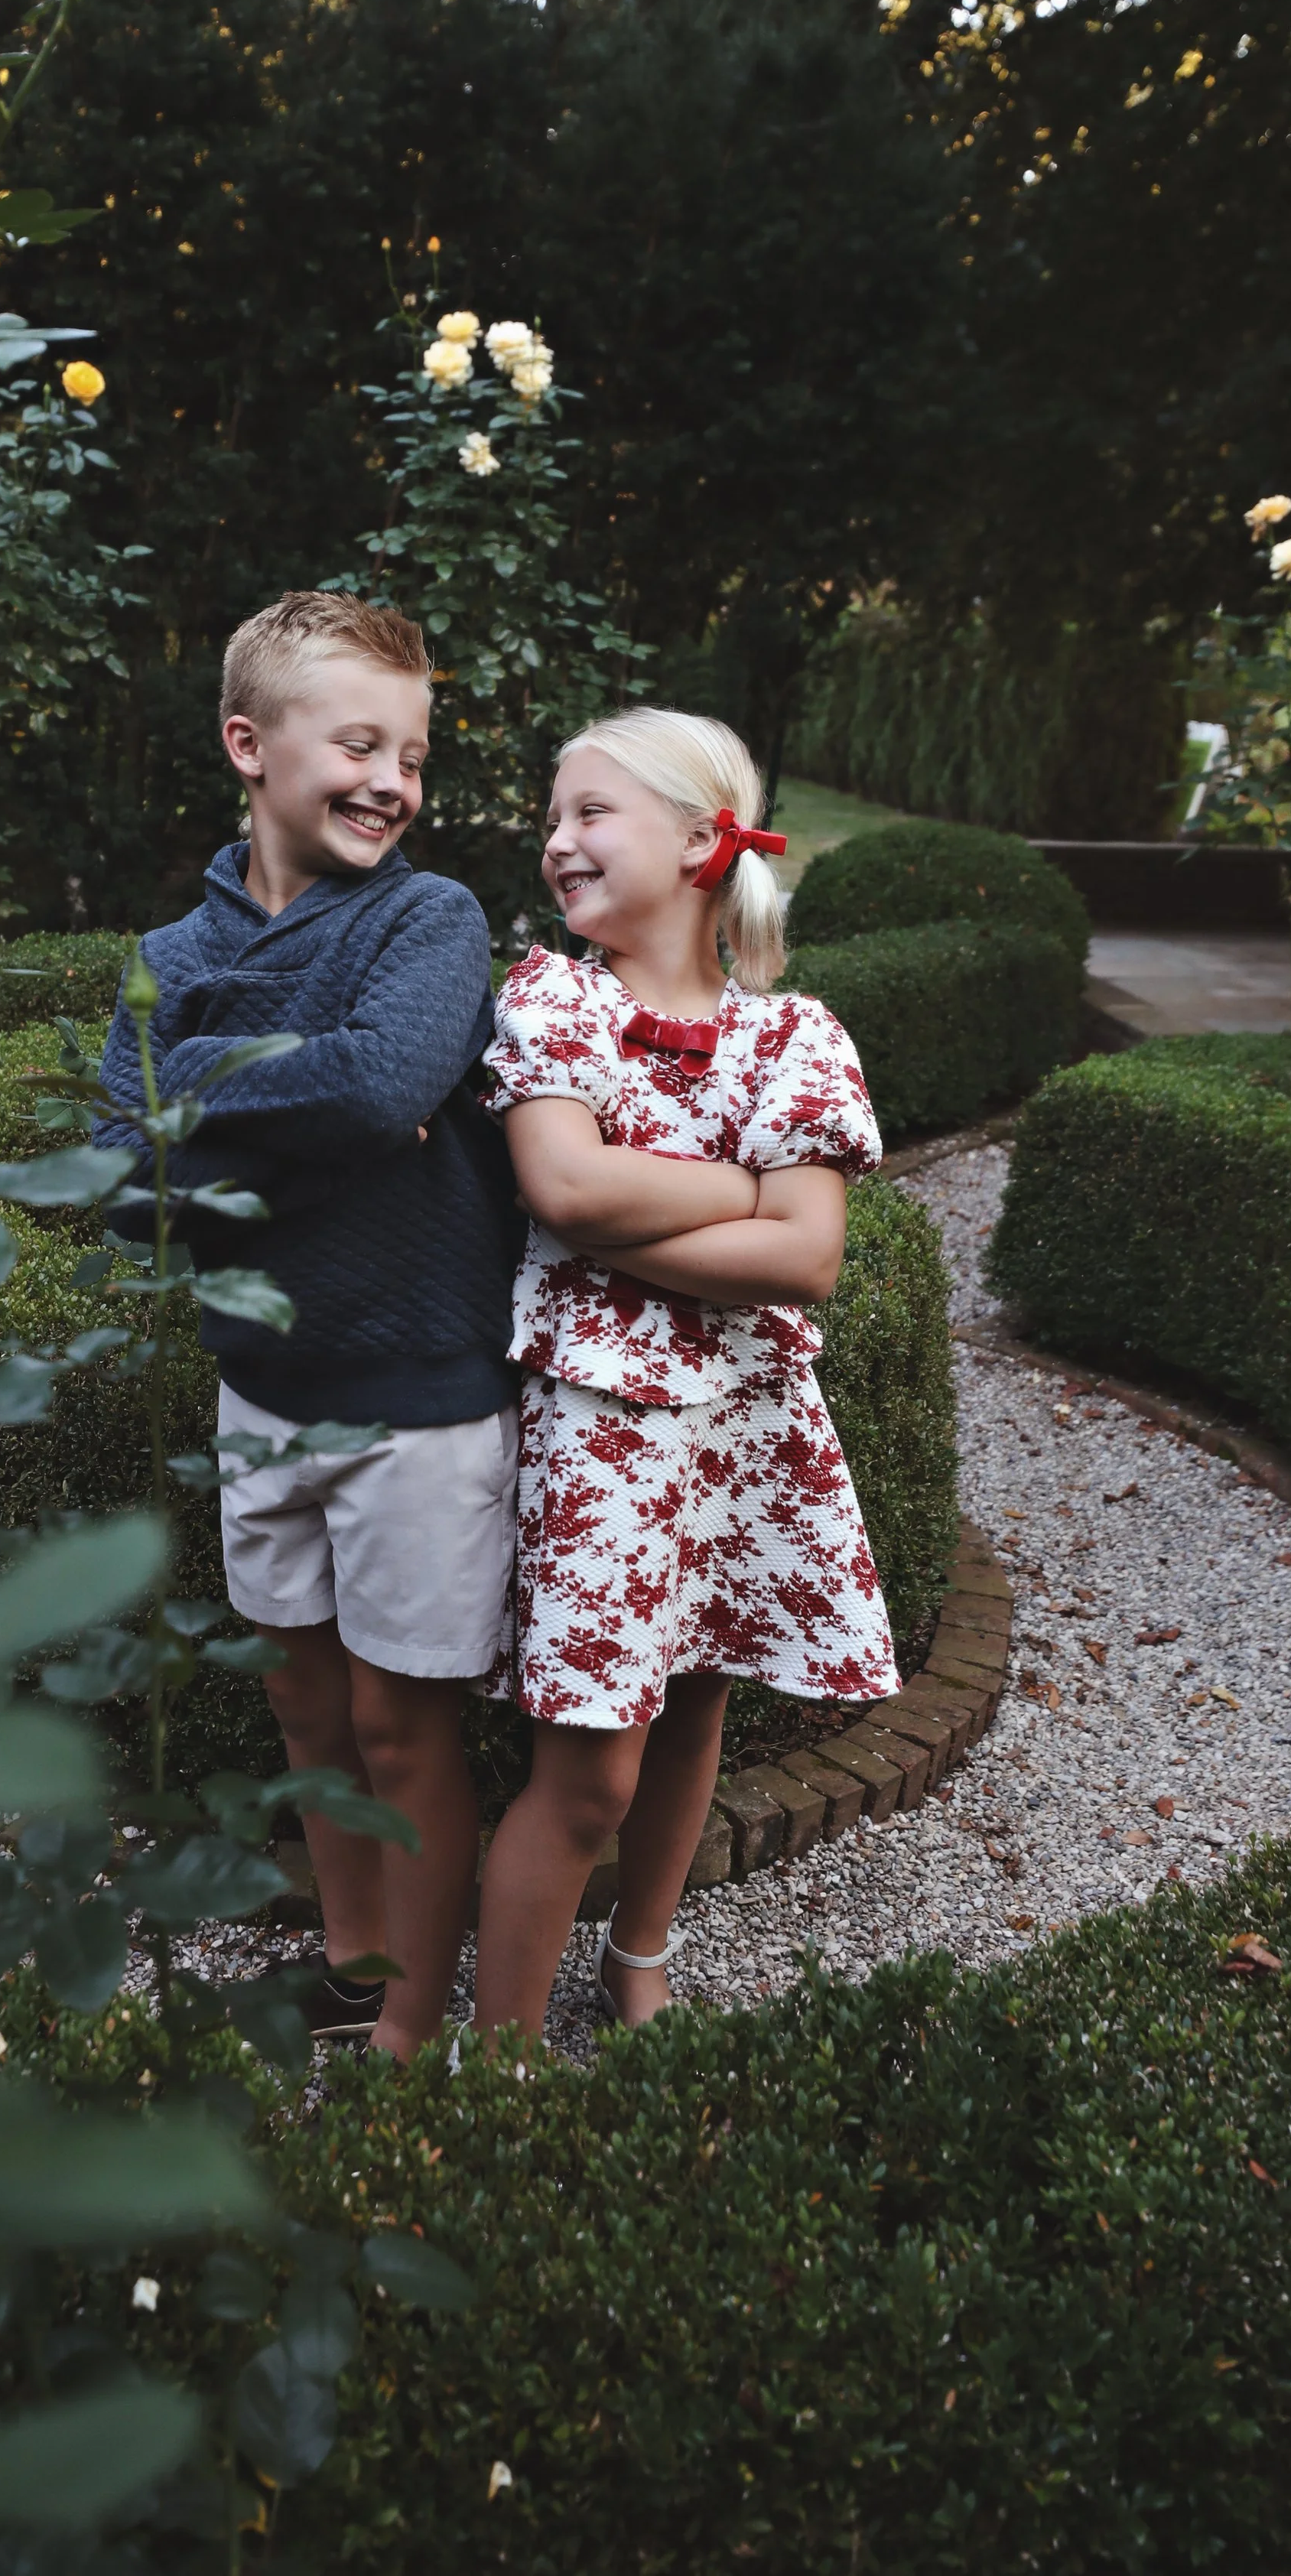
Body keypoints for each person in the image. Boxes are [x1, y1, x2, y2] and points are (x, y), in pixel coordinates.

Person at [96, 590, 522, 2060]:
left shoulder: (430, 917)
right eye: (358, 743)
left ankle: (409, 2022)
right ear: (247, 744)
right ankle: (352, 1961)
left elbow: (385, 1084)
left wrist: (198, 1082)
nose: (393, 782)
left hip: (420, 1400)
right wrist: (304, 1096)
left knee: (405, 1729)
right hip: (260, 1387)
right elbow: (116, 1178)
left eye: (411, 752)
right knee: (306, 1712)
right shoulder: (173, 945)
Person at [472, 707, 899, 2042]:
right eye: (555, 817)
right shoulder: (556, 996)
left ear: (704, 840)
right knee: (591, 1767)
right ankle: (494, 2056)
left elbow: (810, 1258)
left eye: (591, 812)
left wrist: (650, 1211)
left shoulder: (797, 1036)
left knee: (699, 1691)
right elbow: (566, 1187)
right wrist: (740, 1193)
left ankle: (641, 1955)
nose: (559, 841)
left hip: (748, 1425)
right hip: (601, 1433)